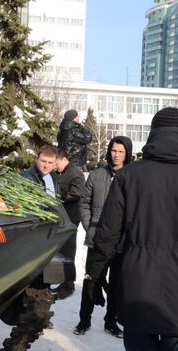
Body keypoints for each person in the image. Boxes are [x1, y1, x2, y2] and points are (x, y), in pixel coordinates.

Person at [86, 107, 178, 351]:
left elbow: (107, 235)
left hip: (138, 285)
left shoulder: (128, 176)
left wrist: (94, 277)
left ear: (153, 134)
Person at [74, 135, 132, 338]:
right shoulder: (97, 175)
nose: (116, 155)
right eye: (114, 150)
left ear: (127, 154)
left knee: (116, 283)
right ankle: (84, 319)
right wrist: (90, 226)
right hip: (97, 238)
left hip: (120, 241)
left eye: (121, 152)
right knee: (91, 280)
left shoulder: (131, 176)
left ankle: (111, 321)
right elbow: (84, 203)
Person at [51, 149, 85, 300]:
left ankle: (69, 283)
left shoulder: (76, 174)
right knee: (59, 249)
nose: (55, 166)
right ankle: (59, 279)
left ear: (63, 159)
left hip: (71, 217)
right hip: (60, 217)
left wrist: (57, 198)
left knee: (69, 249)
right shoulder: (58, 173)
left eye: (56, 163)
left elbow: (76, 193)